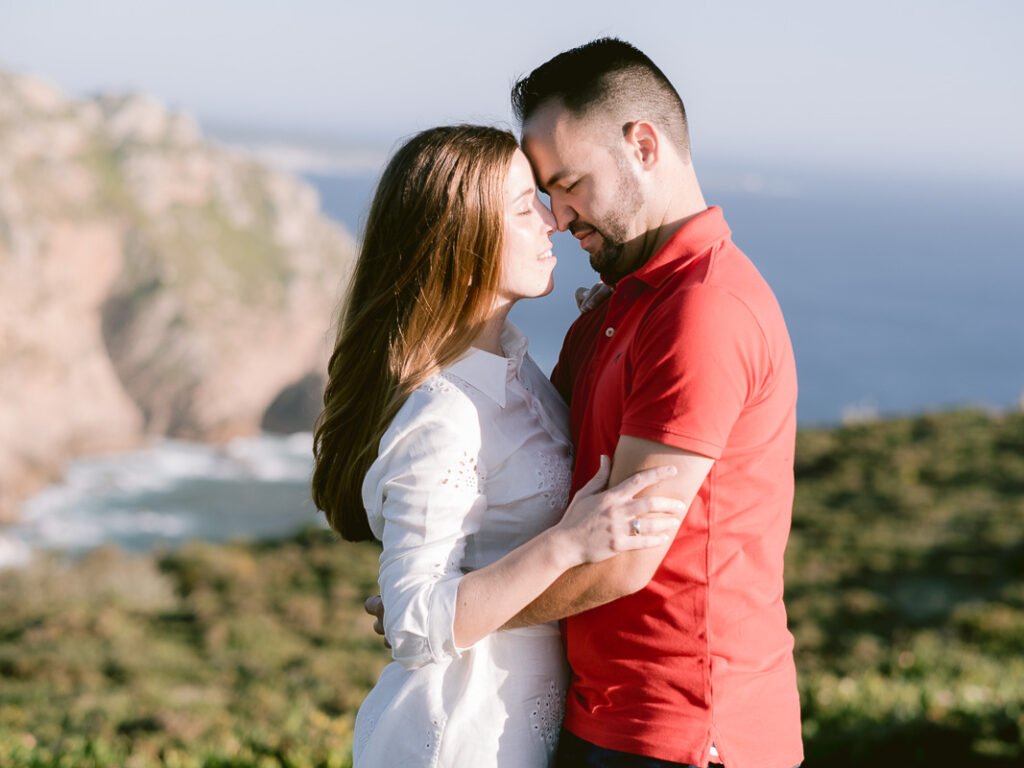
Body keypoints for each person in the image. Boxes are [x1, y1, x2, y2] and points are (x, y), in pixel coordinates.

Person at [311, 124, 687, 768]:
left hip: (522, 723)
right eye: (524, 207)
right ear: (463, 241)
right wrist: (568, 542)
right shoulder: (444, 415)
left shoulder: (515, 371)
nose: (553, 221)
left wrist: (608, 319)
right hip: (460, 738)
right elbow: (414, 626)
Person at [503, 38, 805, 768]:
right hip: (613, 715)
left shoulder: (701, 309)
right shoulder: (630, 300)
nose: (559, 214)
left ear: (643, 145)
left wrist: (450, 613)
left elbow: (626, 558)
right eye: (546, 193)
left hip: (684, 734)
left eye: (569, 183)